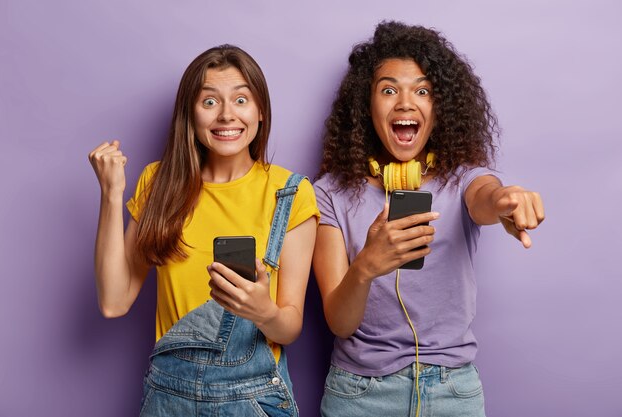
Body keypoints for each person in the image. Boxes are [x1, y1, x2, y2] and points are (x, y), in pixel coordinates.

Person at [312, 22, 544, 417]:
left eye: (422, 91)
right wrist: (366, 266)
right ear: (365, 106)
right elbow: (340, 323)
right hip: (359, 394)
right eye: (388, 90)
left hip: (453, 390)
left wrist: (507, 199)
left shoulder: (464, 179)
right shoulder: (329, 193)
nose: (405, 103)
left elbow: (487, 197)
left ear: (441, 108)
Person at [88, 45, 319, 417]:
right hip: (168, 399)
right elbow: (114, 301)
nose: (227, 114)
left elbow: (289, 327)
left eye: (241, 99)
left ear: (260, 111)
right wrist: (112, 196)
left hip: (254, 399)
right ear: (190, 115)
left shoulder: (290, 193)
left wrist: (263, 311)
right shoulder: (157, 183)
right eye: (209, 102)